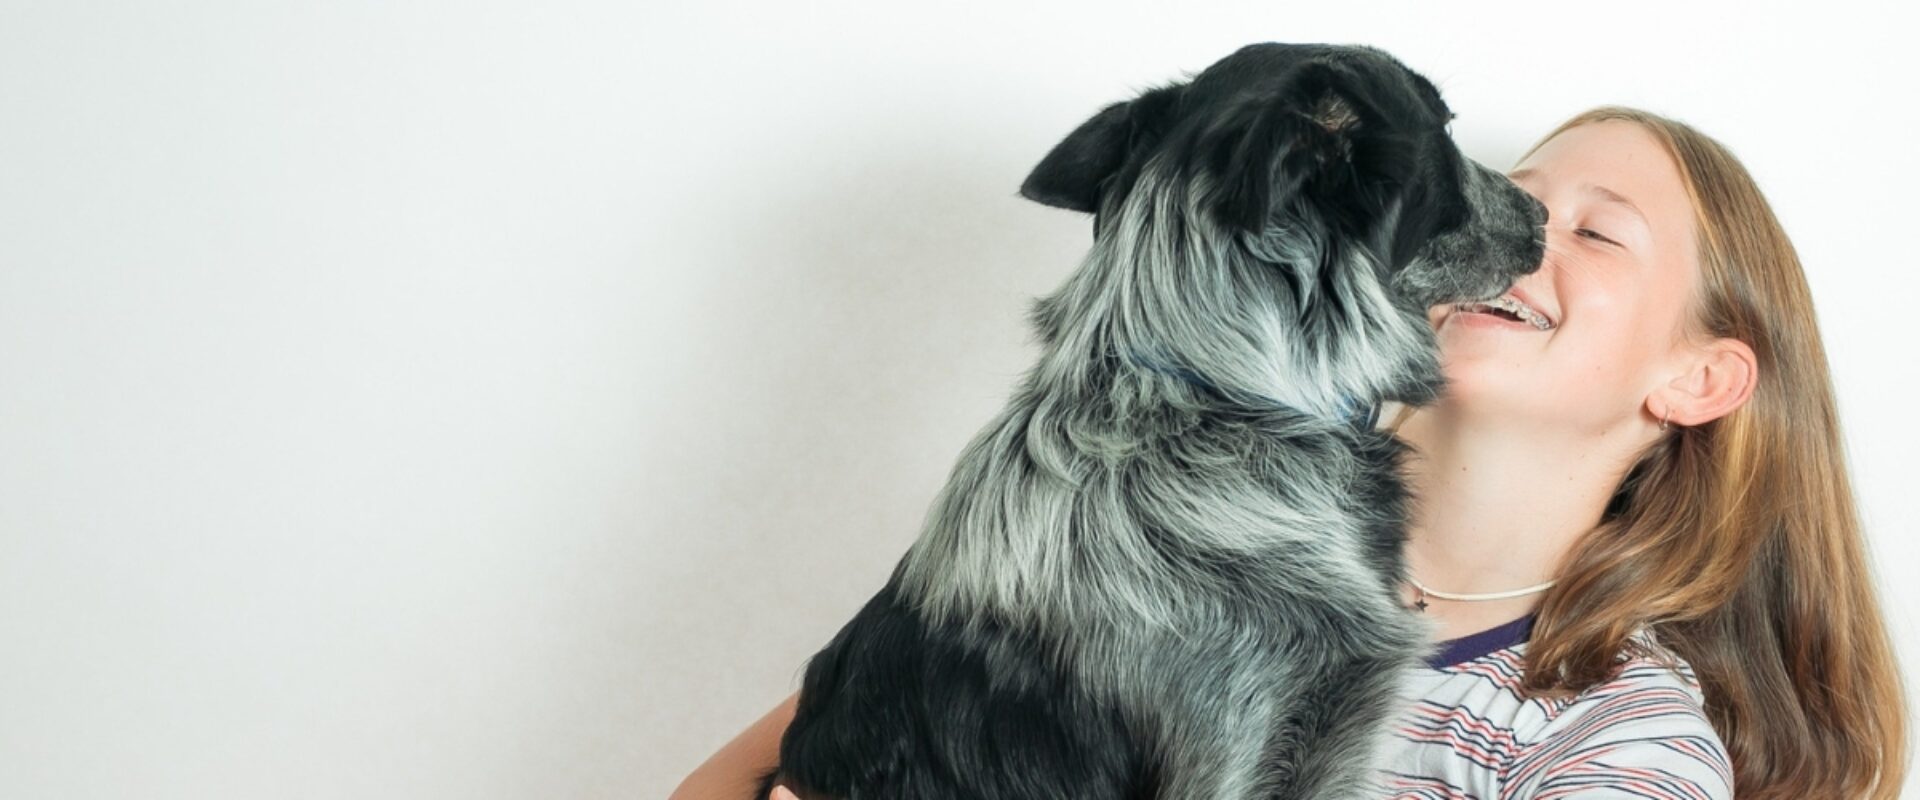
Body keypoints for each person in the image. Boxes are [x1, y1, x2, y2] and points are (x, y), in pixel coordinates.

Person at [668, 106, 1909, 799]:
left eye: (1596, 232)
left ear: (1700, 378)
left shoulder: (1621, 742)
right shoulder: (1149, 534)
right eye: (1508, 199)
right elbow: (741, 778)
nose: (1520, 235)